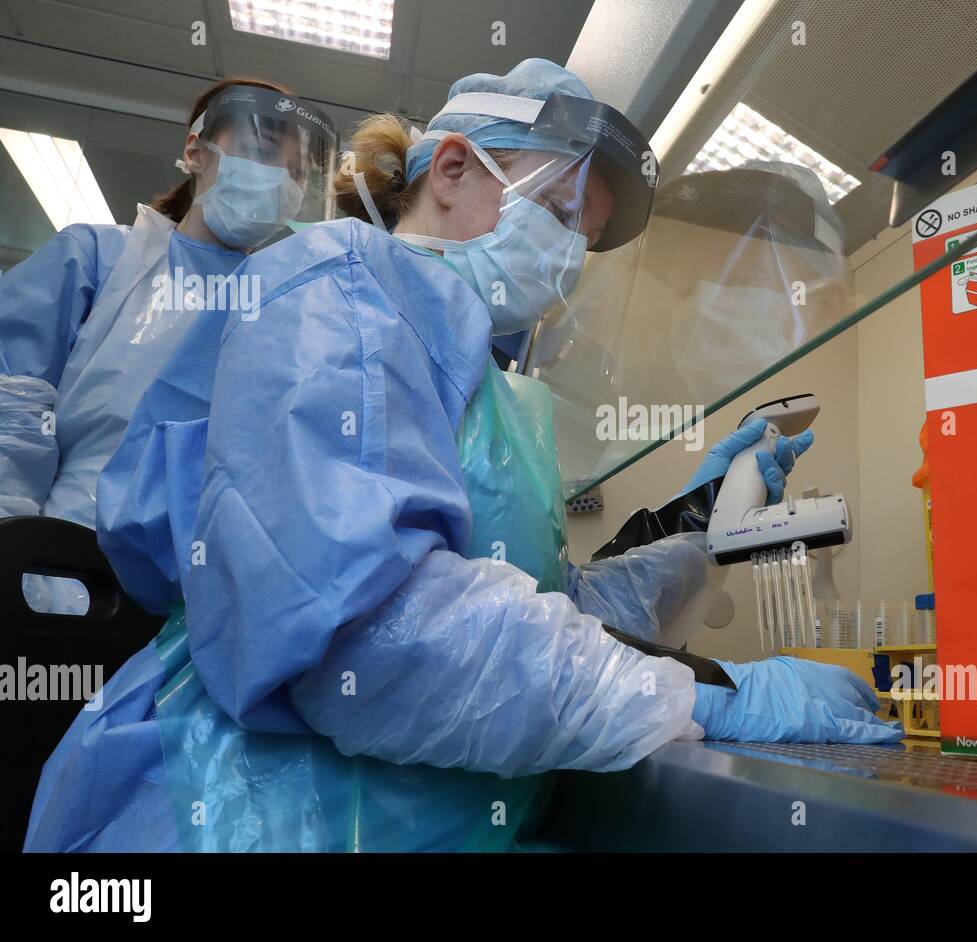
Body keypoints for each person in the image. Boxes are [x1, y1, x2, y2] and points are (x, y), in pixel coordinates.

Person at [25, 59, 900, 853]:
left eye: (582, 242)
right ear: (450, 169)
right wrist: (707, 697)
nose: (567, 262)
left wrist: (699, 533)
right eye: (558, 213)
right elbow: (362, 633)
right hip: (252, 817)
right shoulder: (339, 285)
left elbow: (537, 604)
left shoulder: (489, 384)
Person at [0, 77, 337, 614]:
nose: (279, 179)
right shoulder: (97, 261)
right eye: (263, 150)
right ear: (195, 150)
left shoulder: (287, 318)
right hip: (49, 572)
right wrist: (15, 548)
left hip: (193, 617)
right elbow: (10, 405)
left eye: (296, 171)